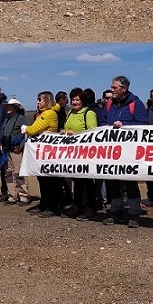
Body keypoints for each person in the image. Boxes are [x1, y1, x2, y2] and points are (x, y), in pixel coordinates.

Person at [100, 76, 148, 228]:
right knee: (112, 181)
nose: (112, 90)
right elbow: (102, 122)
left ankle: (134, 213)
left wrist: (124, 125)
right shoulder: (109, 104)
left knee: (130, 182)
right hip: (111, 150)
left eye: (114, 88)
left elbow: (143, 124)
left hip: (129, 151)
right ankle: (116, 212)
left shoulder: (136, 104)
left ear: (124, 88)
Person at [21, 91, 62, 217]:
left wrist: (26, 129)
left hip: (47, 152)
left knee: (48, 180)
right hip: (42, 151)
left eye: (41, 100)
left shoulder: (49, 113)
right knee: (42, 179)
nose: (38, 102)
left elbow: (34, 129)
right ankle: (44, 203)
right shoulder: (44, 113)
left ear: (48, 100)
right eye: (38, 99)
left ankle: (51, 206)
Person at [63, 88, 99, 220]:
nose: (75, 102)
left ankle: (90, 207)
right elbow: (67, 128)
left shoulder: (89, 114)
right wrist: (64, 132)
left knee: (87, 181)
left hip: (85, 153)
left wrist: (77, 135)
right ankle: (78, 205)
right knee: (77, 180)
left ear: (83, 101)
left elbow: (93, 132)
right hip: (72, 153)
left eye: (77, 99)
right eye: (73, 99)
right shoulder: (70, 113)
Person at [1, 98, 29, 206]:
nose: (7, 108)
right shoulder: (7, 119)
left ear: (15, 107)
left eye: (9, 106)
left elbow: (26, 134)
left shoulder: (21, 119)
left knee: (19, 173)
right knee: (8, 173)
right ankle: (12, 196)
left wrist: (21, 147)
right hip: (7, 150)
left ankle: (24, 196)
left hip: (16, 150)